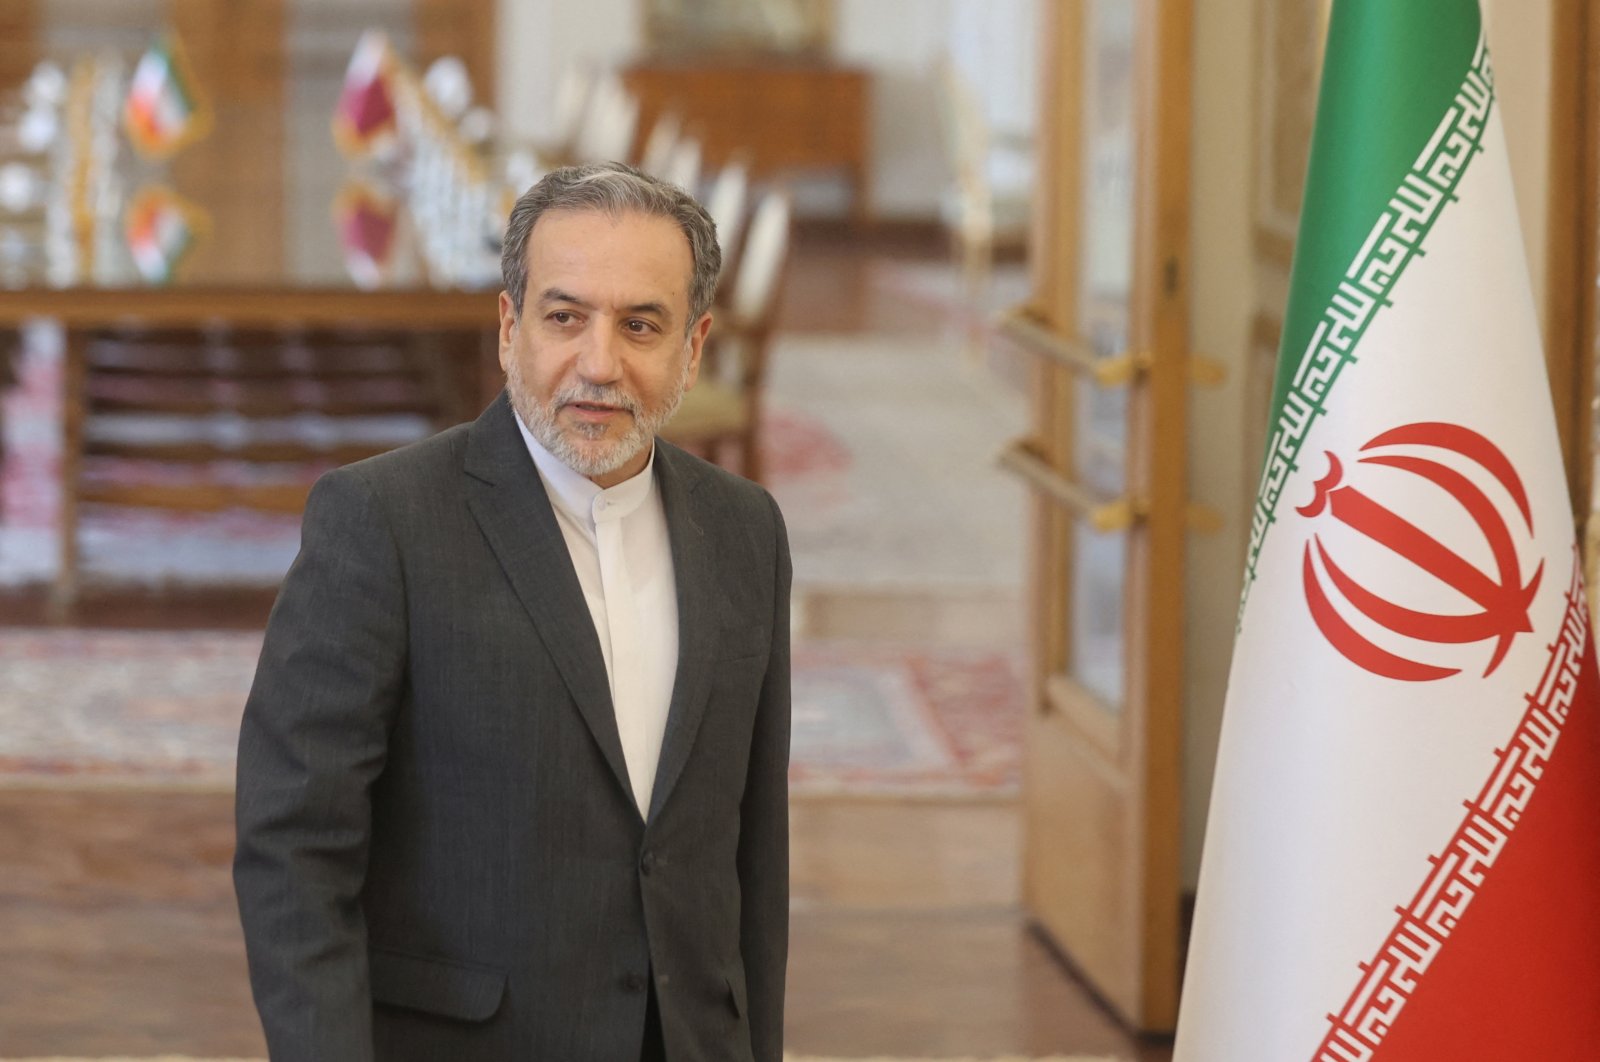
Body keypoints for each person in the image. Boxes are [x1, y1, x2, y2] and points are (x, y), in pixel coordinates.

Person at [234, 161, 791, 1062]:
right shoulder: (382, 523)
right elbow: (294, 850)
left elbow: (754, 861)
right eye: (564, 317)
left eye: (640, 325)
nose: (598, 363)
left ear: (694, 349)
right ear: (508, 328)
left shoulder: (747, 533)